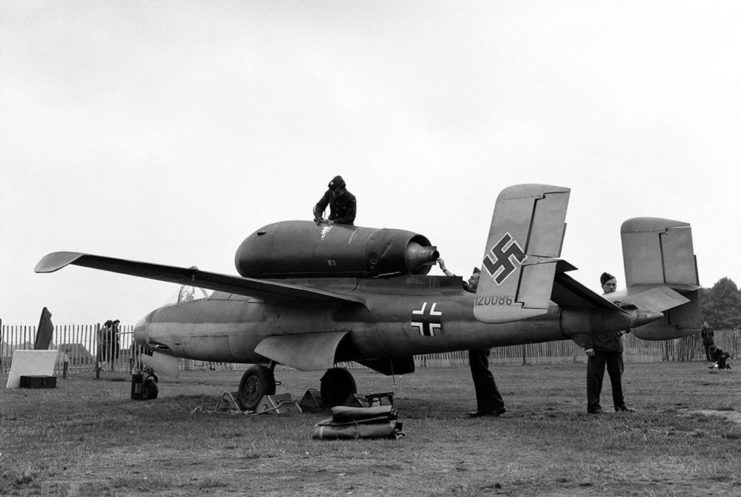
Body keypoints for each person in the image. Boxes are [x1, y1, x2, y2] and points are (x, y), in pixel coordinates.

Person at [438, 258, 507, 417]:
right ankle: (489, 407)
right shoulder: (475, 293)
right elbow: (458, 283)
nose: (469, 279)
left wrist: (444, 269)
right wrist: (444, 268)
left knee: (481, 372)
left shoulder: (480, 295)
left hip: (480, 339)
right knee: (480, 372)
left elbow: (459, 284)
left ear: (481, 282)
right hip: (478, 338)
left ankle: (494, 406)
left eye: (473, 277)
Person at [583, 272, 634, 414]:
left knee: (617, 379)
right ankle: (593, 407)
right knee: (595, 379)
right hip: (597, 346)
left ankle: (620, 407)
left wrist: (623, 330)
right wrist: (588, 345)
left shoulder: (621, 304)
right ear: (602, 286)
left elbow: (629, 322)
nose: (612, 287)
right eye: (609, 285)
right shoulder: (595, 303)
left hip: (615, 346)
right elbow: (586, 324)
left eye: (614, 285)